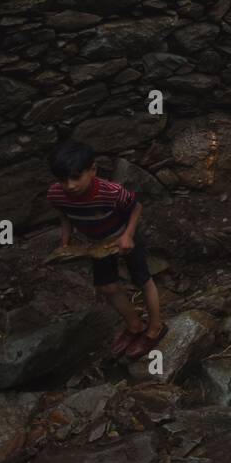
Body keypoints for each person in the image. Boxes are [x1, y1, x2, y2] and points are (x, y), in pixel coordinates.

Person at [47, 140, 165, 358]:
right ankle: (135, 325)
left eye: (75, 177)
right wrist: (66, 239)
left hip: (123, 236)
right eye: (63, 180)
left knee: (143, 279)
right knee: (107, 286)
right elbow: (64, 215)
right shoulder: (57, 194)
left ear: (92, 170)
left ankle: (156, 327)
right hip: (97, 245)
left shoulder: (111, 192)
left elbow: (136, 207)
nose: (70, 185)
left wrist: (128, 235)